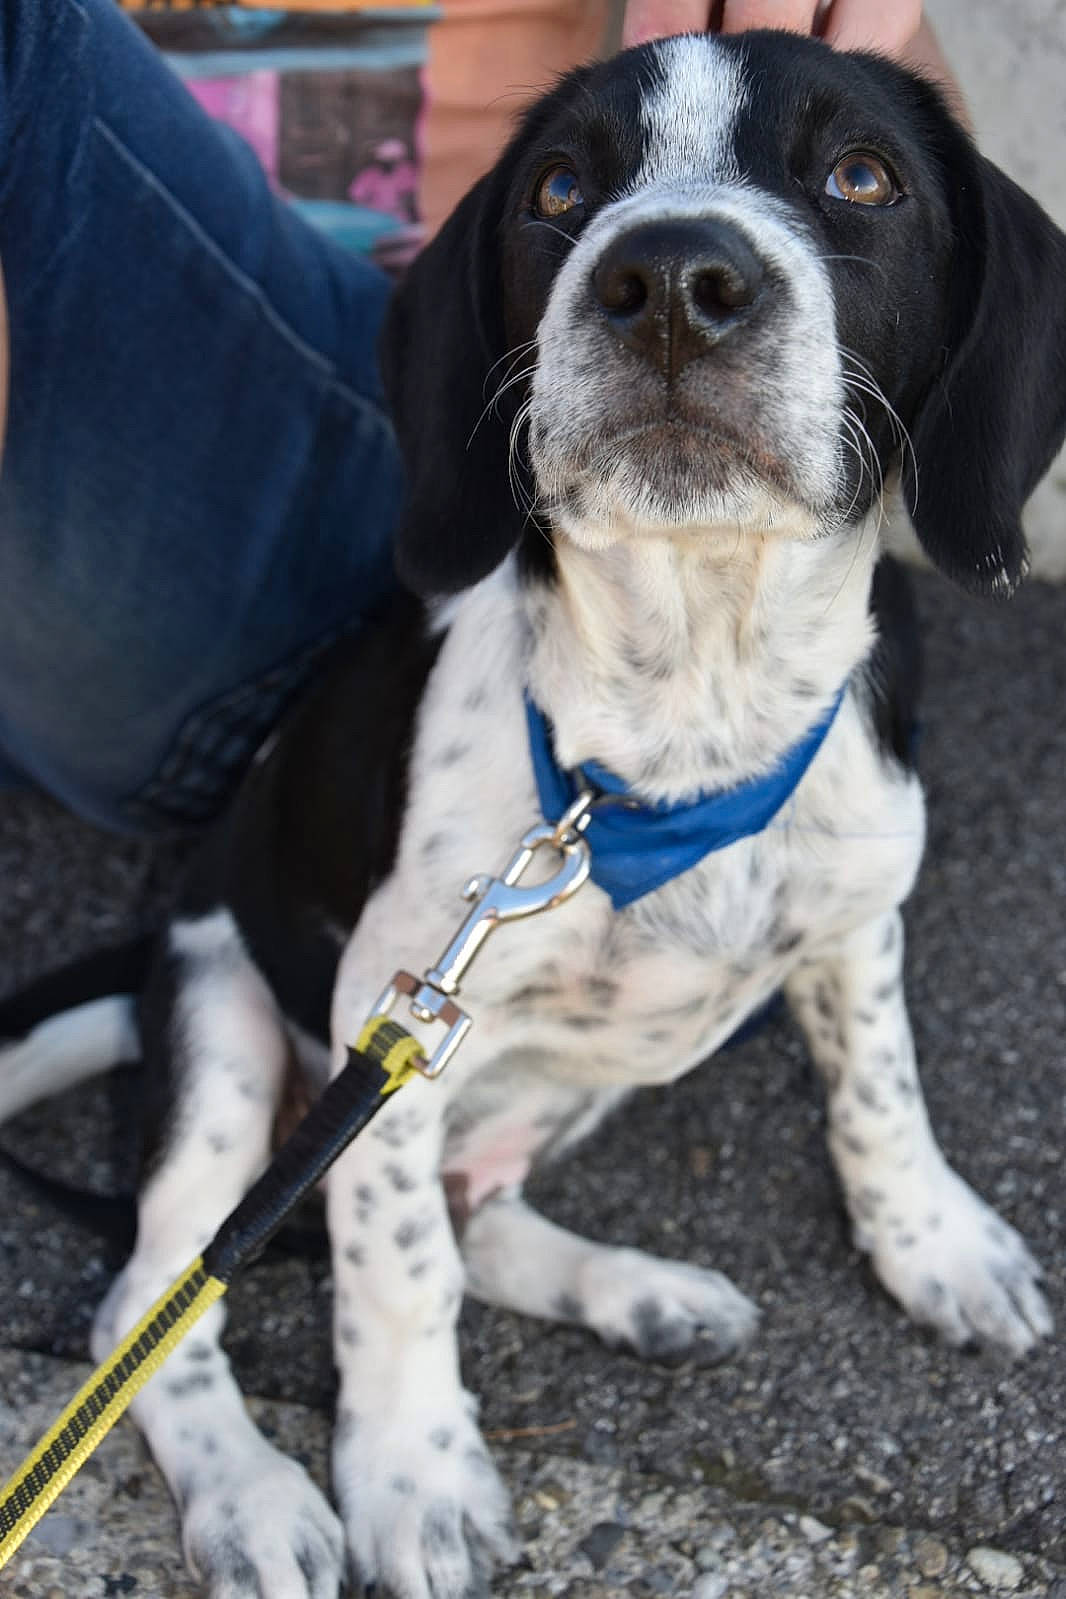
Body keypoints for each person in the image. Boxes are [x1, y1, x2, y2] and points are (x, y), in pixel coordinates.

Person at [0, 0, 955, 834]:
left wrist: (857, 48)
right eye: (566, 192)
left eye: (855, 182)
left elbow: (922, 189)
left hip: (408, 466)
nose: (670, 289)